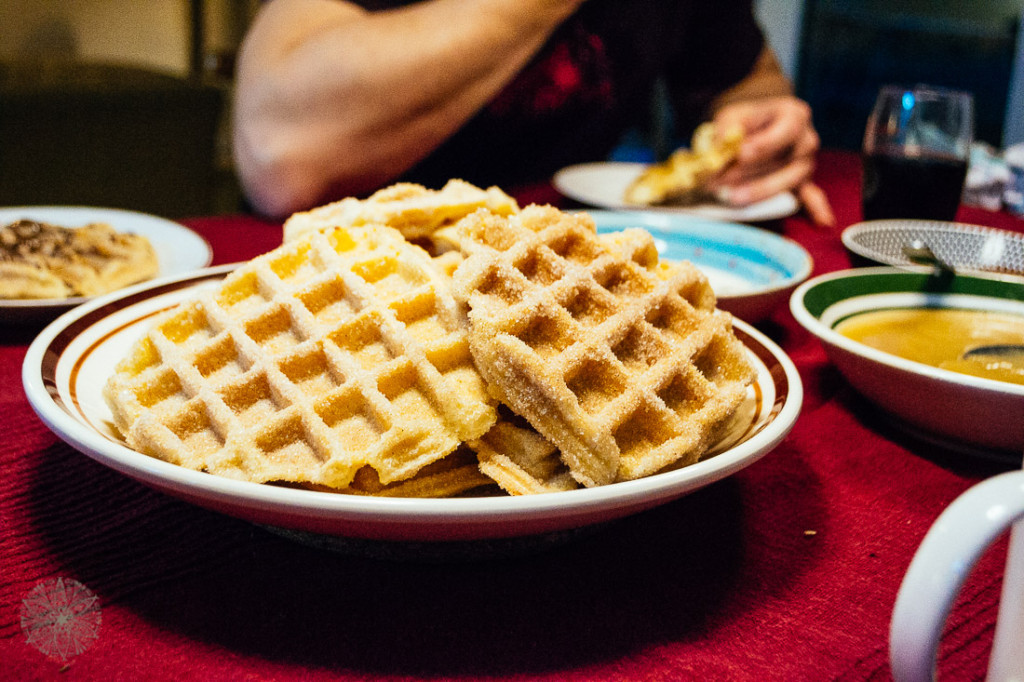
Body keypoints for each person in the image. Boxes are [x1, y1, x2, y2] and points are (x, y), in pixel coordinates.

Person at [233, 0, 835, 226]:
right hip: (342, 264)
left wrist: (762, 124)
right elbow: (279, 153)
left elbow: (744, 80)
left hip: (557, 259)